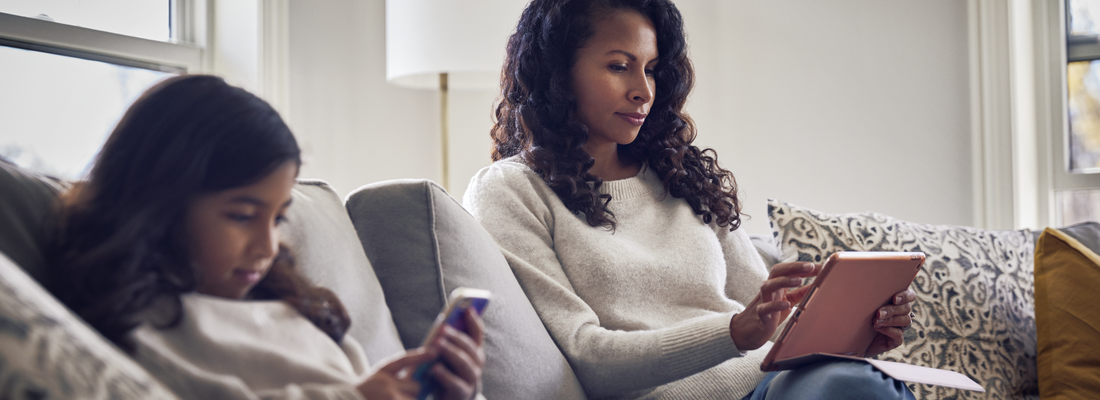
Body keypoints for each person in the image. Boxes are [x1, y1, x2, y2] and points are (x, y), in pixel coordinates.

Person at [463, 1, 916, 399]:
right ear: (559, 74)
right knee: (847, 387)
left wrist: (853, 336)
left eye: (652, 68)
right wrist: (735, 331)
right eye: (619, 66)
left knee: (857, 379)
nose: (643, 89)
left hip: (772, 384)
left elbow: (774, 326)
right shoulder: (512, 191)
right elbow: (586, 355)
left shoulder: (681, 177)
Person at [48, 75, 485, 400]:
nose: (268, 247)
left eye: (277, 219)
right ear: (156, 204)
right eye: (241, 216)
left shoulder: (291, 309)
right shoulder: (139, 330)